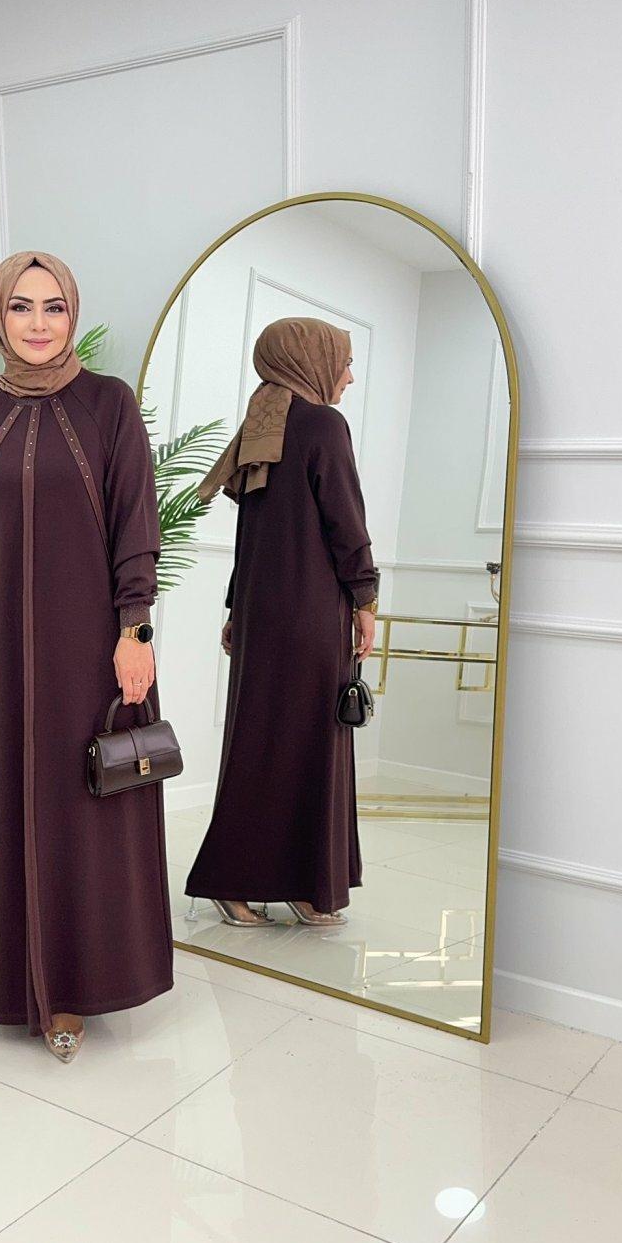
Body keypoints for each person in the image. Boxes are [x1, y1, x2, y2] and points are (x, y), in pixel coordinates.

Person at [0, 250, 173, 1063]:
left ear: (73, 314)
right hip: (0, 654)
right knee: (13, 807)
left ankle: (79, 986)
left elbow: (136, 521)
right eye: (21, 307)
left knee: (88, 810)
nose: (38, 323)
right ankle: (24, 988)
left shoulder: (108, 405)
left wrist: (134, 629)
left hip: (93, 649)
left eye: (54, 307)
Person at [184, 317, 379, 928]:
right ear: (308, 360)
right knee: (311, 746)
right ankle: (273, 882)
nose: (348, 376)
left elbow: (253, 533)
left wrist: (236, 608)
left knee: (261, 745)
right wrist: (366, 599)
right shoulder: (323, 424)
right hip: (311, 615)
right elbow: (345, 519)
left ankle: (278, 884)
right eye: (344, 362)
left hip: (263, 614)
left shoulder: (262, 422)